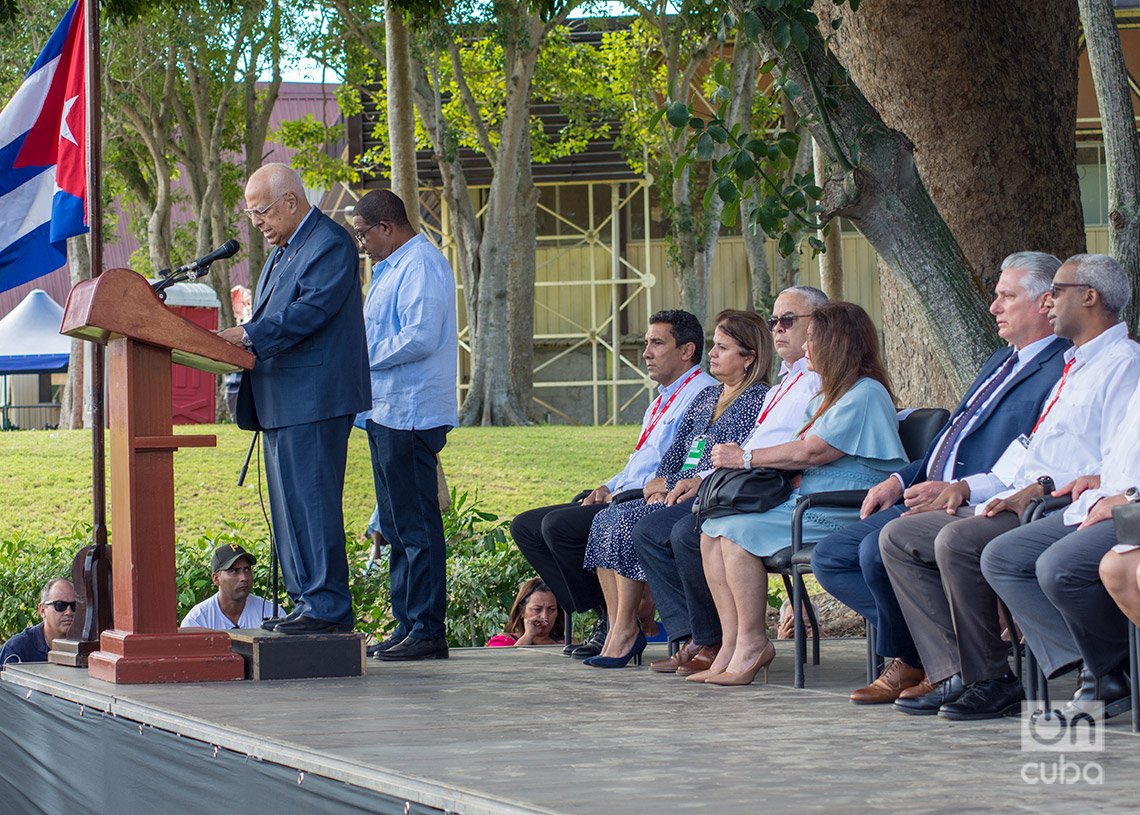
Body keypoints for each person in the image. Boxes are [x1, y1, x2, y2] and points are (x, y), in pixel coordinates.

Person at [881, 253, 1140, 720]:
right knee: (900, 535)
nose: (1049, 304)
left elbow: (1113, 460)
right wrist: (967, 486)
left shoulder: (1122, 364)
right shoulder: (1077, 364)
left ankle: (1088, 668)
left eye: (1056, 293)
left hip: (1065, 501)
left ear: (1089, 297)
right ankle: (961, 673)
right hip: (1036, 494)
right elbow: (1033, 452)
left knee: (969, 543)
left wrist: (1042, 487)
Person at [810, 252, 1068, 704]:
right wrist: (898, 477)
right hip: (928, 492)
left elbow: (1035, 458)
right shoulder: (1000, 360)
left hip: (986, 500)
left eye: (1006, 296)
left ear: (1045, 303)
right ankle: (927, 653)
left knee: (877, 548)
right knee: (833, 556)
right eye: (995, 296)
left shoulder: (1061, 367)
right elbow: (952, 438)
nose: (994, 307)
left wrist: (960, 489)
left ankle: (934, 664)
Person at [699, 302, 908, 686]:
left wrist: (744, 457)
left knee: (733, 533)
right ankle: (733, 643)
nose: (805, 348)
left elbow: (814, 451)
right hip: (808, 503)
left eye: (813, 340)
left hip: (844, 509)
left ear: (835, 344)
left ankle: (751, 643)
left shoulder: (865, 393)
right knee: (713, 527)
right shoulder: (830, 396)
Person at [634, 286, 827, 677]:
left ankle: (719, 641)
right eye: (774, 321)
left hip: (770, 491)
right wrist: (669, 479)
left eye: (787, 320)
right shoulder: (782, 385)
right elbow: (689, 450)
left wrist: (703, 477)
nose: (778, 328)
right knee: (649, 526)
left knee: (691, 531)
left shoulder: (806, 384)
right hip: (737, 485)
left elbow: (800, 450)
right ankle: (715, 640)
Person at [510, 310, 715, 659]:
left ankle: (618, 622)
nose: (646, 352)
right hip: (622, 493)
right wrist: (605, 486)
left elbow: (682, 465)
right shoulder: (661, 399)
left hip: (648, 500)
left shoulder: (702, 394)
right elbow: (637, 462)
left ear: (686, 350)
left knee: (558, 526)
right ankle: (608, 614)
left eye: (656, 343)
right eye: (646, 343)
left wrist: (625, 493)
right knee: (526, 526)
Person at [218, 163, 369, 636]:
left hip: (314, 400)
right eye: (251, 213)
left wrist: (245, 334)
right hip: (280, 401)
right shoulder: (281, 253)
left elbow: (310, 312)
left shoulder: (329, 243)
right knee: (289, 508)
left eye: (261, 211)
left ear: (290, 201)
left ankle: (327, 603)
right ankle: (307, 599)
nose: (257, 222)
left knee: (313, 504)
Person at [581, 310, 773, 668]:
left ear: (748, 358)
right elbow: (678, 449)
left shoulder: (756, 399)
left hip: (713, 493)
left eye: (722, 348)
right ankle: (675, 635)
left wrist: (680, 483)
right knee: (609, 520)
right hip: (676, 491)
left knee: (640, 527)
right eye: (714, 346)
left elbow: (731, 457)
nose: (711, 354)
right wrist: (662, 482)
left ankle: (697, 639)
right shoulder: (709, 396)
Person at [353, 189, 459, 663]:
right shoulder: (391, 267)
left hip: (412, 413)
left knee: (416, 526)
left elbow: (420, 335)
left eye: (363, 235)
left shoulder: (422, 264)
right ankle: (408, 623)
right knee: (395, 526)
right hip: (386, 411)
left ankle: (428, 628)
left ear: (386, 227)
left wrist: (359, 360)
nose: (362, 245)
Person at [180, 543, 277, 630]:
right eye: (234, 571)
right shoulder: (198, 620)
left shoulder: (271, 613)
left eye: (247, 569)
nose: (244, 577)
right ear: (216, 578)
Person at [0, 579, 75, 670]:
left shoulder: (87, 647)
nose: (69, 612)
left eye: (74, 605)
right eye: (60, 605)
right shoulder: (17, 649)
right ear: (42, 610)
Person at [486, 579, 565, 647]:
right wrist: (528, 636)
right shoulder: (501, 642)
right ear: (522, 611)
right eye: (537, 609)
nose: (545, 616)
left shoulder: (567, 645)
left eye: (551, 609)